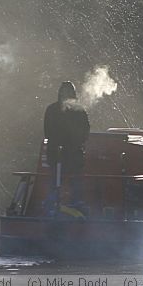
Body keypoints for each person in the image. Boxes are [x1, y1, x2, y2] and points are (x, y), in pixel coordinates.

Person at [43, 81, 90, 216]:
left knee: (76, 180)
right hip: (56, 153)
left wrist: (75, 143)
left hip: (74, 154)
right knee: (54, 180)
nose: (66, 95)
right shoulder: (52, 110)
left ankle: (76, 204)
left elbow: (85, 131)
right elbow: (48, 132)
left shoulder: (80, 111)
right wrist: (58, 143)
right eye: (64, 92)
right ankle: (51, 204)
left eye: (69, 92)